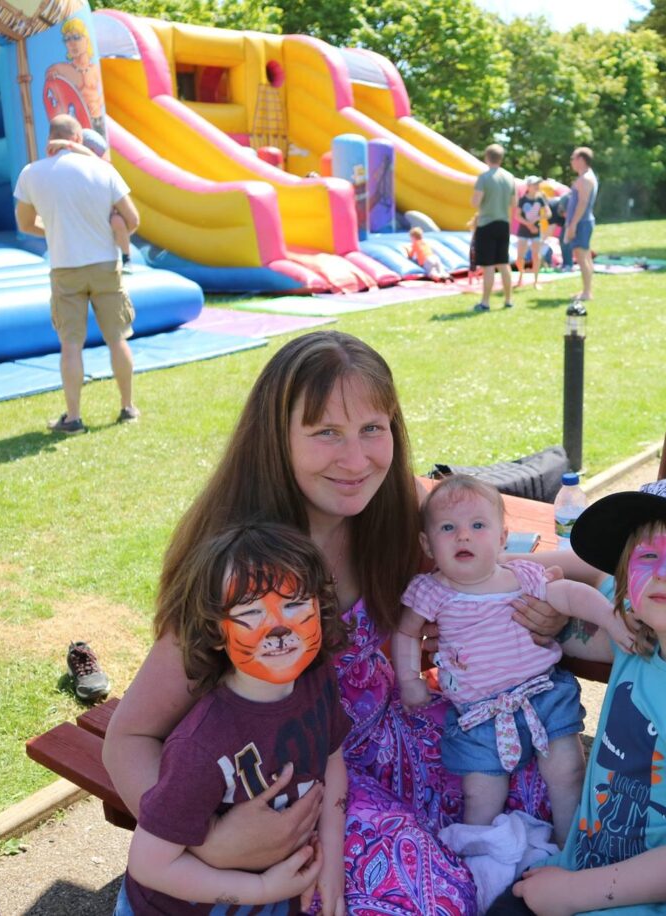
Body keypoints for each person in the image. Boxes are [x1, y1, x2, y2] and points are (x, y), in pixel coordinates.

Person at [103, 331, 559, 915]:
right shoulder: (243, 570)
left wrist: (567, 589)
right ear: (276, 440)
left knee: (538, 783)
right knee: (421, 895)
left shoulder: (388, 511)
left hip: (402, 742)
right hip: (311, 779)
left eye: (373, 429)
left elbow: (493, 564)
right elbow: (130, 737)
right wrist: (208, 845)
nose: (355, 459)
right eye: (325, 433)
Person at [489, 475, 666, 916]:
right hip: (574, 871)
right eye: (647, 556)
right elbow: (590, 569)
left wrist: (570, 893)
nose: (664, 571)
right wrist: (500, 567)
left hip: (640, 904)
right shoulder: (632, 636)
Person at [124, 523, 348, 915]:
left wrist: (332, 861)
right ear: (215, 630)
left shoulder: (317, 679)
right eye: (250, 612)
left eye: (295, 603)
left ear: (320, 606)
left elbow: (332, 758)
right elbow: (149, 864)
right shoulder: (202, 747)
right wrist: (261, 887)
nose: (279, 629)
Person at [394, 476, 632, 844]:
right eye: (447, 528)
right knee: (481, 793)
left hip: (543, 695)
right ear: (427, 543)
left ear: (503, 538)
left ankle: (570, 849)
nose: (463, 536)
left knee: (568, 771)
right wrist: (409, 678)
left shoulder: (522, 576)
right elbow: (407, 632)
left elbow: (569, 595)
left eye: (478, 525)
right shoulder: (432, 590)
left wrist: (611, 621)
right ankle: (481, 864)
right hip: (478, 714)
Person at [14, 114, 141, 434]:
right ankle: (127, 407)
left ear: (51, 138)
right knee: (117, 339)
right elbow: (133, 220)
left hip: (65, 268)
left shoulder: (32, 173)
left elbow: (26, 225)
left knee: (71, 345)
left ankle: (73, 418)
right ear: (79, 139)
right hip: (104, 267)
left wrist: (58, 230)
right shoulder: (103, 169)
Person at [46, 127, 133, 270]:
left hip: (103, 217)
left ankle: (126, 257)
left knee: (117, 221)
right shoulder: (69, 168)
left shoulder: (102, 169)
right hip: (81, 219)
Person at [471, 144, 516, 312]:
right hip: (504, 224)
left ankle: (485, 302)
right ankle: (508, 300)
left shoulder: (484, 177)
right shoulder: (510, 177)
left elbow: (475, 202)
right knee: (503, 263)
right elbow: (514, 204)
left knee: (488, 265)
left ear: (486, 158)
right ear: (501, 158)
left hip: (486, 224)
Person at [564, 147, 598, 303]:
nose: (571, 161)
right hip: (583, 222)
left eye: (573, 158)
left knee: (582, 257)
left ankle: (587, 292)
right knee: (585, 257)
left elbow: (582, 203)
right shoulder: (586, 177)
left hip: (582, 223)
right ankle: (586, 289)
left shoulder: (585, 179)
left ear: (581, 160)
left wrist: (572, 225)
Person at [514, 177, 551, 288]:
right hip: (523, 231)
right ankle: (521, 276)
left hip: (536, 231)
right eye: (535, 184)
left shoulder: (540, 199)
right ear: (528, 186)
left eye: (538, 184)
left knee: (536, 255)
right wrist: (528, 224)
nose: (537, 186)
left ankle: (536, 281)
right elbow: (517, 216)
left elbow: (548, 213)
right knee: (520, 257)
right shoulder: (523, 200)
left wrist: (538, 218)